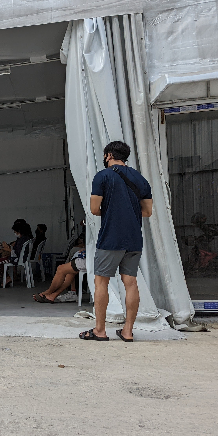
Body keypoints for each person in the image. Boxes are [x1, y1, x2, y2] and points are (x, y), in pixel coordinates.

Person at [80, 140, 152, 342]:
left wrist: (112, 211)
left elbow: (95, 210)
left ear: (109, 155)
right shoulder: (141, 180)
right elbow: (147, 211)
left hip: (111, 237)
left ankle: (100, 331)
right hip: (134, 238)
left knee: (101, 281)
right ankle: (128, 331)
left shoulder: (102, 176)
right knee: (130, 282)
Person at [0, 220, 33, 288]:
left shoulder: (21, 240)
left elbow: (16, 252)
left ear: (19, 231)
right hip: (23, 258)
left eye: (15, 232)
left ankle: (7, 278)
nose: (15, 233)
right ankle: (7, 277)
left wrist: (6, 249)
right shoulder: (26, 238)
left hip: (17, 259)